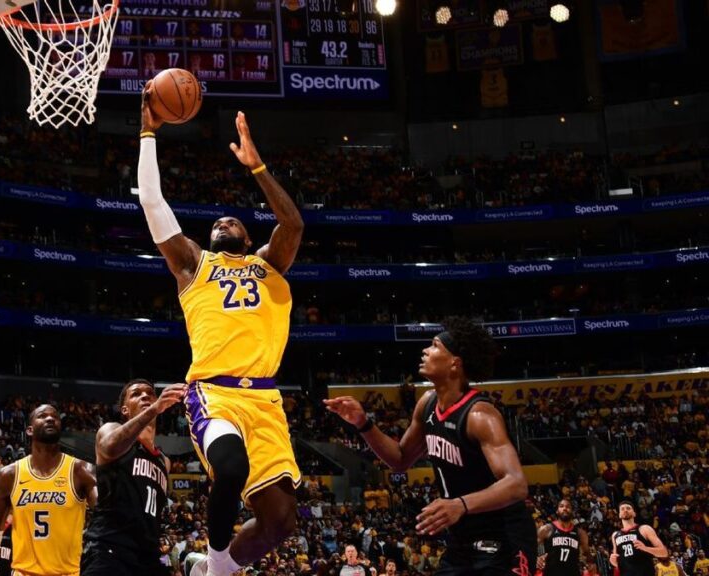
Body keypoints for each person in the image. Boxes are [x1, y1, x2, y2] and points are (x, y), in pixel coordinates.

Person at [138, 93, 305, 576]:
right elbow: (152, 201)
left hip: (266, 403)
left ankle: (219, 567)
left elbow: (292, 223)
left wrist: (257, 169)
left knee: (281, 522)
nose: (223, 221)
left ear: (249, 239)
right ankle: (213, 565)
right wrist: (147, 132)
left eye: (233, 221)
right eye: (217, 222)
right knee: (229, 469)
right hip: (215, 393)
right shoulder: (193, 264)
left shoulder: (268, 264)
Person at [324, 317, 536, 575]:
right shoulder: (427, 403)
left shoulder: (480, 416)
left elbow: (516, 483)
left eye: (435, 346)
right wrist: (363, 424)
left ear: (455, 363)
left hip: (504, 537)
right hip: (461, 537)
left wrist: (460, 504)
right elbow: (400, 459)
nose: (425, 350)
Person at [0, 405, 97, 576]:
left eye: (55, 417)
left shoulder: (81, 470)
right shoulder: (9, 475)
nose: (50, 419)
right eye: (42, 416)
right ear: (29, 430)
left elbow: (106, 515)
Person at [81, 379, 187, 575]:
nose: (145, 396)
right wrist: (154, 409)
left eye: (150, 393)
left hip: (147, 557)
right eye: (136, 394)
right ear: (124, 410)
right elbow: (109, 447)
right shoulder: (111, 430)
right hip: (110, 550)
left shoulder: (165, 461)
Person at [611, 501, 669, 576]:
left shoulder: (644, 529)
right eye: (622, 509)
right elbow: (617, 563)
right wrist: (612, 561)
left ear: (634, 513)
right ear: (619, 515)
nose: (625, 510)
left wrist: (645, 548)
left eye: (628, 508)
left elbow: (664, 552)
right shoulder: (615, 535)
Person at [538, 499, 590, 576]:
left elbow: (587, 553)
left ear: (572, 511)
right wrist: (536, 558)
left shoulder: (580, 533)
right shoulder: (546, 529)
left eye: (568, 506)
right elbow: (530, 546)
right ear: (557, 511)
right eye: (561, 506)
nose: (565, 508)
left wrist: (591, 563)